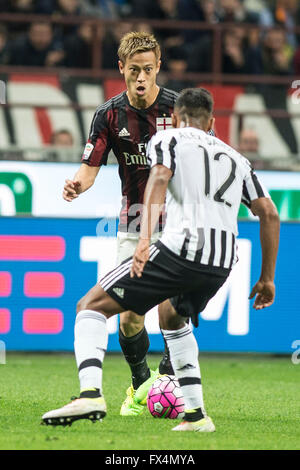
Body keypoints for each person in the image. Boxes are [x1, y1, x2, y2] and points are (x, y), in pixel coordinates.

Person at [42, 87, 280, 431]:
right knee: (171, 316)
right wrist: (267, 277)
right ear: (211, 121)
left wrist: (142, 241)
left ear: (177, 118)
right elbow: (269, 214)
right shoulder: (236, 158)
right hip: (224, 260)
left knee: (90, 306)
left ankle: (90, 393)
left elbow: (159, 177)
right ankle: (197, 416)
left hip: (181, 248)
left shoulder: (167, 140)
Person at [59, 31, 179, 417]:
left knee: (173, 311)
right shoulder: (108, 115)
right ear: (121, 69)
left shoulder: (179, 110)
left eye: (147, 69)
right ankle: (142, 382)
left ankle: (171, 381)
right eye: (133, 71)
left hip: (178, 221)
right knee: (129, 319)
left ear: (158, 66)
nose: (141, 78)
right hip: (133, 223)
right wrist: (78, 184)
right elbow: (89, 169)